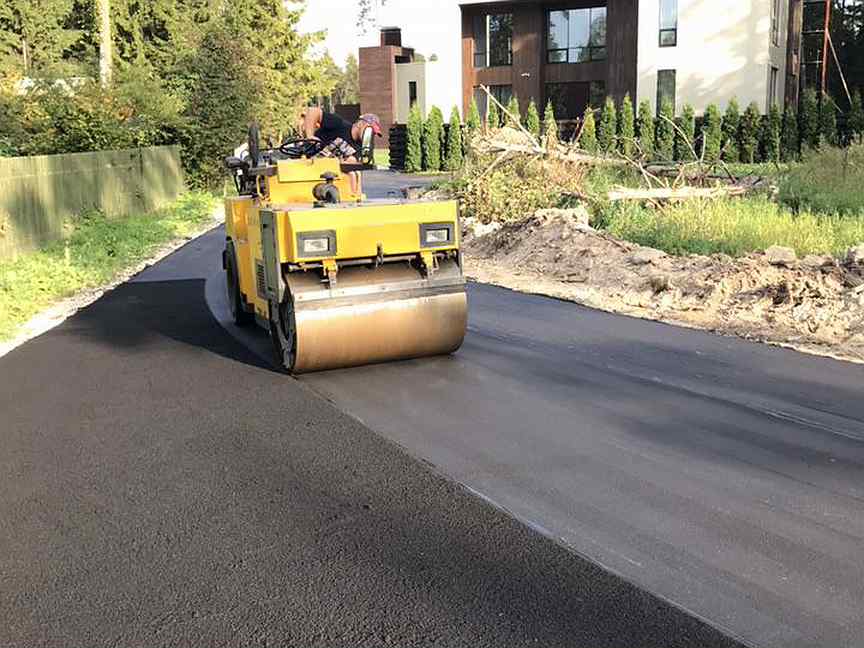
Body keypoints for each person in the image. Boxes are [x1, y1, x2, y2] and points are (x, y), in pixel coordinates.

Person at [297, 108, 382, 195]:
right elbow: (313, 111)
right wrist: (310, 135)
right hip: (306, 162)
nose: (371, 135)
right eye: (369, 130)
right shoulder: (339, 124)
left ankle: (353, 196)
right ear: (360, 124)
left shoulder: (362, 147)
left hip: (326, 172)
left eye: (373, 134)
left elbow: (351, 161)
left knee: (355, 174)